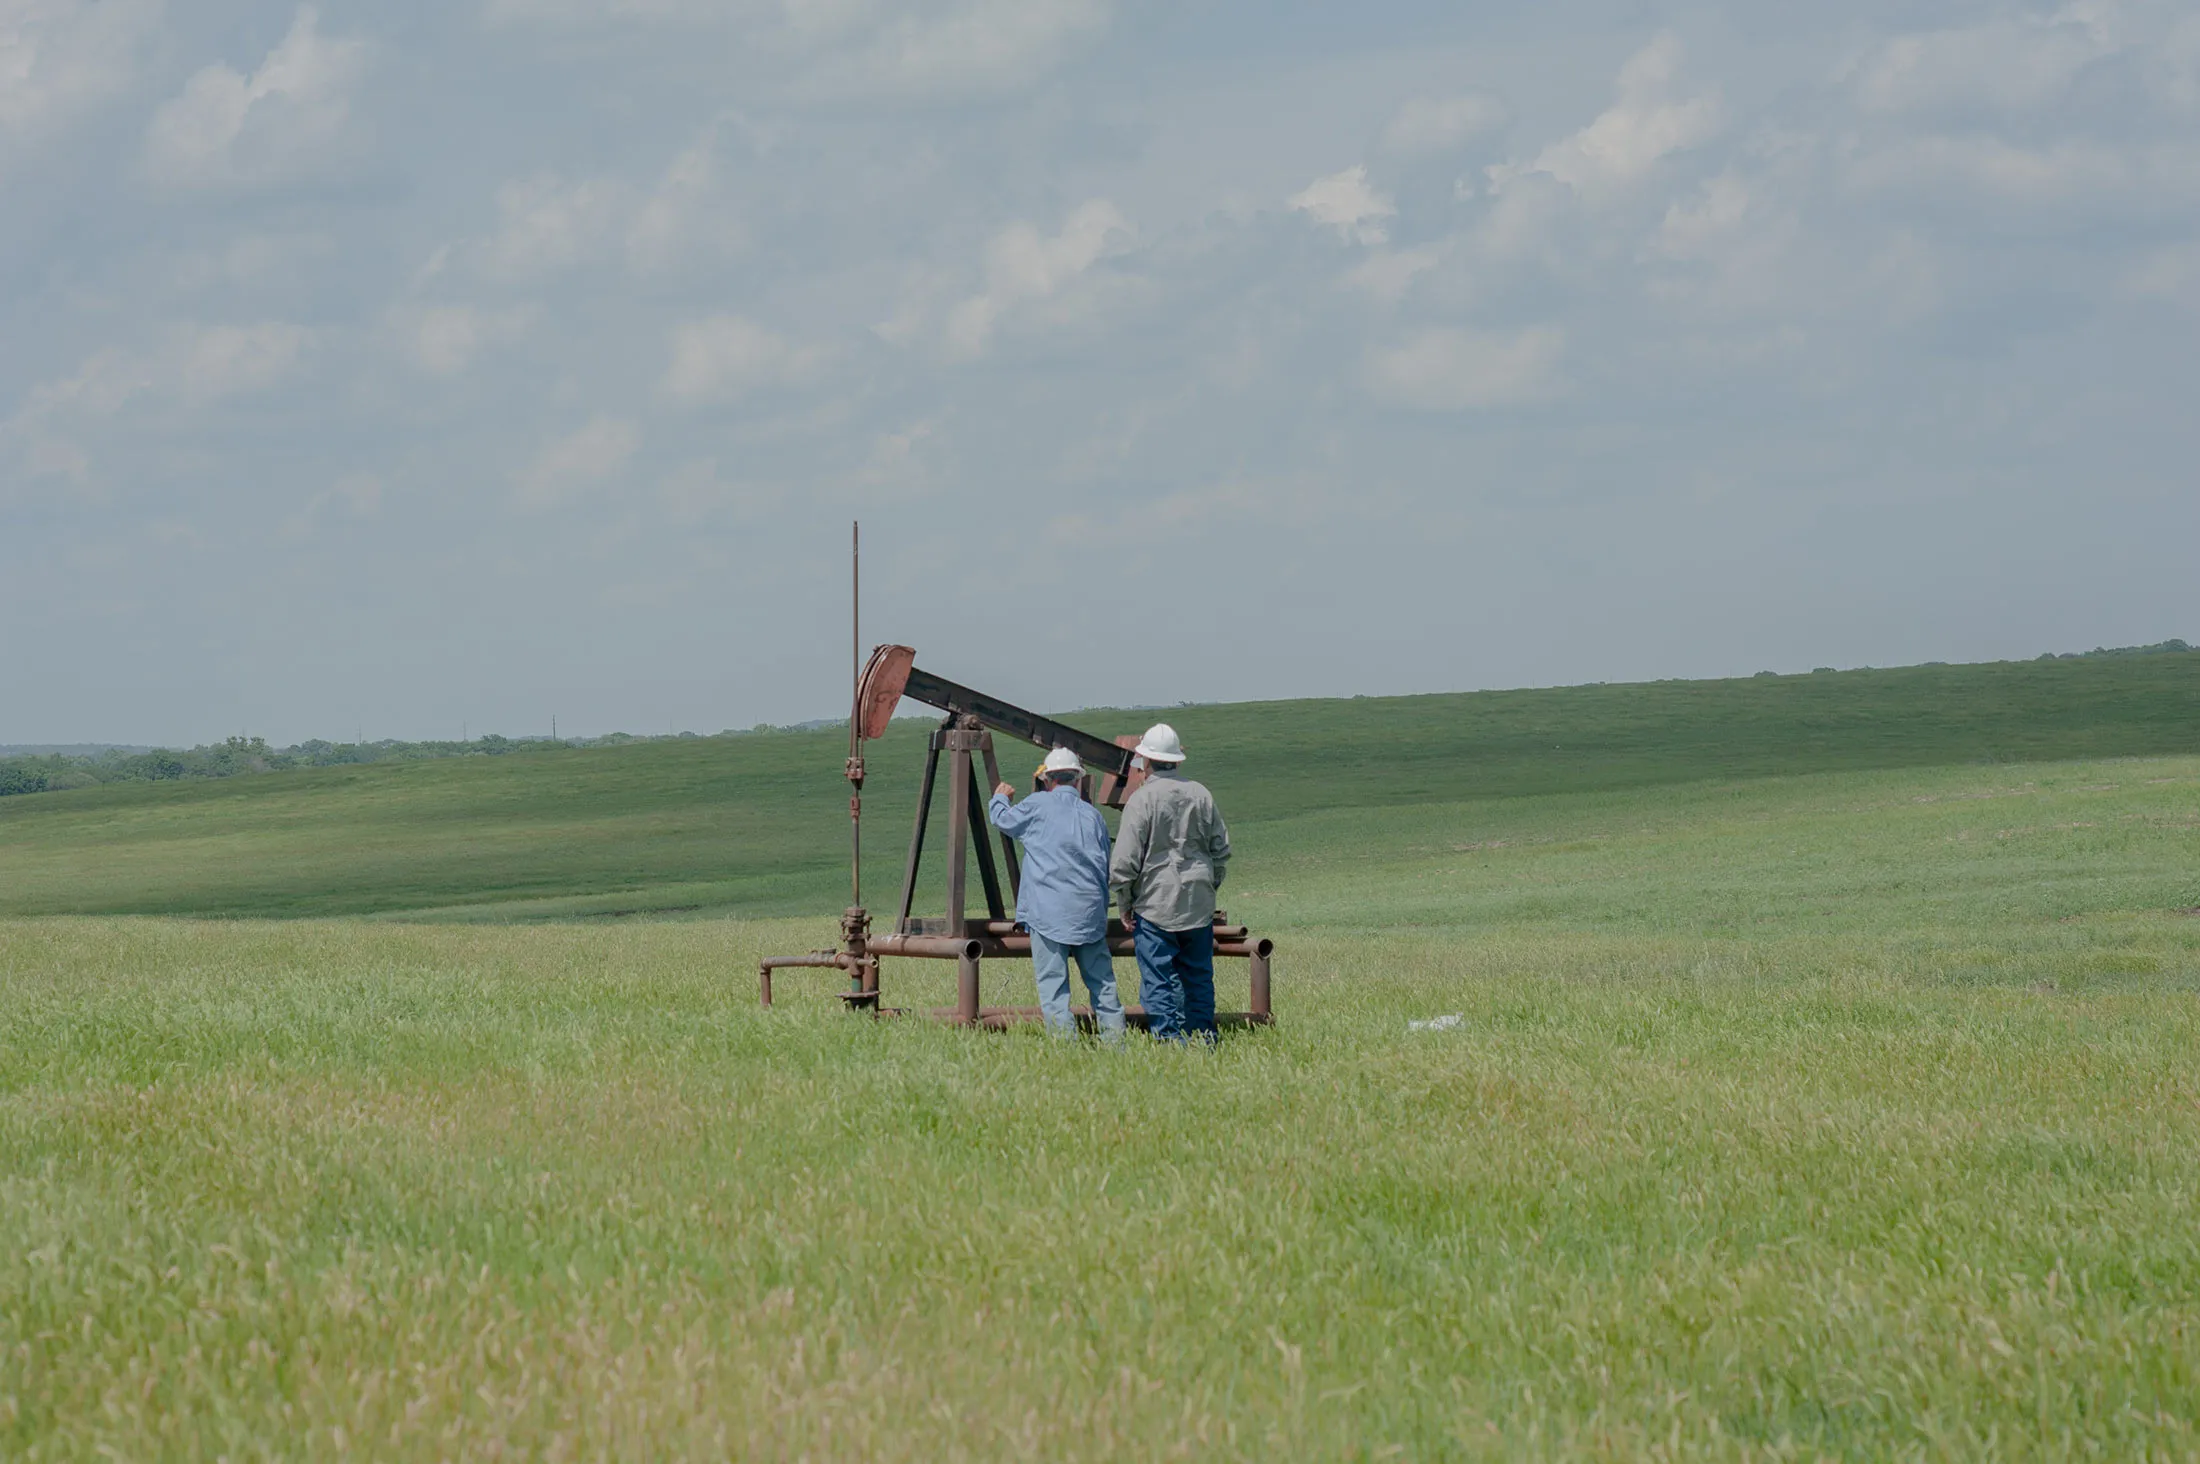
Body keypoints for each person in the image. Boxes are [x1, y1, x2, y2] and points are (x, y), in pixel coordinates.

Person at [989, 747, 1125, 1042]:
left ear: (1047, 779)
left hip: (1048, 913)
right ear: (1078, 780)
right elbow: (1106, 867)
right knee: (1103, 985)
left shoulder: (1037, 805)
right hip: (1089, 914)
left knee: (1054, 989)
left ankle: (1066, 1048)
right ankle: (1116, 1045)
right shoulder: (1093, 817)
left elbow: (1003, 821)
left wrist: (1000, 798)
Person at [1108, 723, 1231, 1043]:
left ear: (1145, 761)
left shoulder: (1142, 800)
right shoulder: (1201, 793)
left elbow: (1124, 861)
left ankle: (1169, 1042)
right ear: (1177, 760)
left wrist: (1125, 903)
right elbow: (1221, 849)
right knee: (1199, 977)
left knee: (1159, 980)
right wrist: (1209, 886)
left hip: (1154, 904)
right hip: (1198, 903)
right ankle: (1203, 1038)